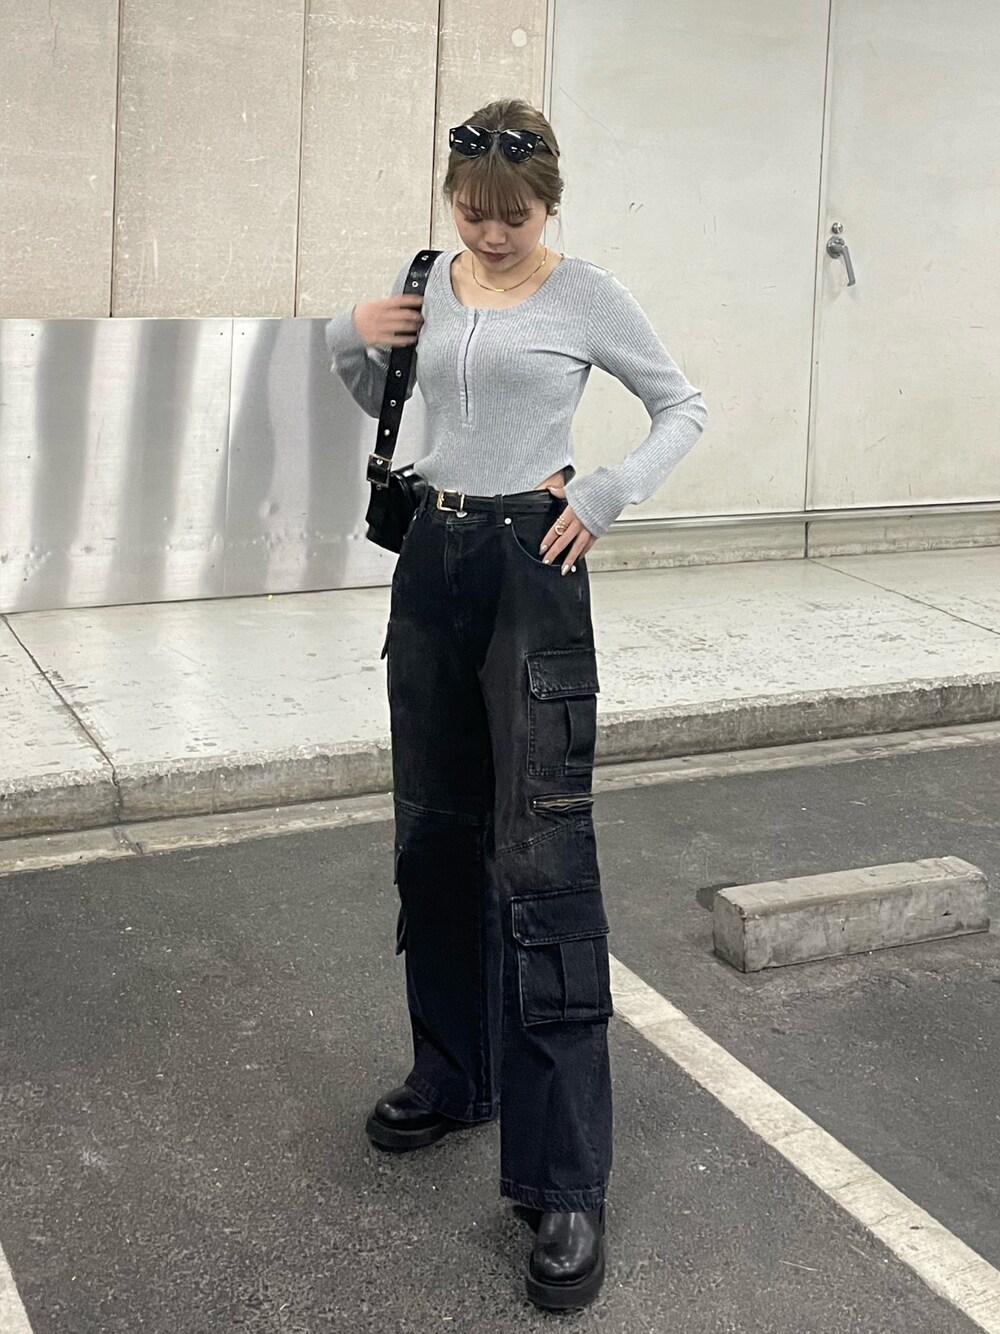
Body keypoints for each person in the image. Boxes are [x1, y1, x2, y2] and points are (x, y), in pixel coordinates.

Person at [325, 98, 707, 1311]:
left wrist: (602, 493)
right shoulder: (427, 280)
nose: (489, 235)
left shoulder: (586, 294)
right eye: (471, 212)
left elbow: (683, 406)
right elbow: (393, 399)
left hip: (531, 564)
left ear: (549, 202)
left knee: (540, 861)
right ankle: (454, 1073)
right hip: (429, 561)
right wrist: (348, 336)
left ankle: (563, 1177)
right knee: (433, 839)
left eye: (513, 216)